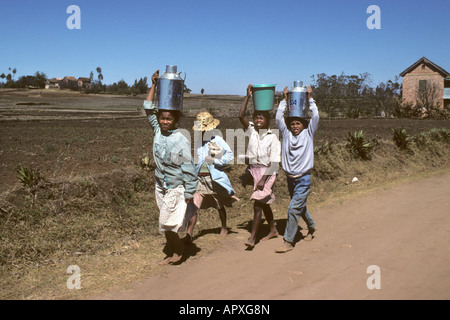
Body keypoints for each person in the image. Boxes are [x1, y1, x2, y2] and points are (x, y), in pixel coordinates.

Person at [143, 70, 198, 265]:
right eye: (162, 118)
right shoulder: (157, 131)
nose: (165, 122)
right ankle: (174, 250)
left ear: (175, 120)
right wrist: (154, 85)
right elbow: (148, 107)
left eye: (169, 119)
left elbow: (189, 167)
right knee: (165, 221)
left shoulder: (180, 139)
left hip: (176, 186)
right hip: (160, 184)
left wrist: (190, 190)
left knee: (168, 223)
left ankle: (178, 250)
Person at [274, 85, 319, 253]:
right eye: (292, 123)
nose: (294, 126)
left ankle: (288, 241)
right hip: (290, 178)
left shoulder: (308, 134)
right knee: (299, 206)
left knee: (293, 208)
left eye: (298, 123)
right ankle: (312, 227)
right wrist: (284, 101)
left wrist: (310, 98)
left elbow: (316, 116)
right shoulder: (286, 135)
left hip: (303, 179)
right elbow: (279, 118)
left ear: (303, 124)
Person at [185, 111, 239, 241]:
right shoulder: (198, 141)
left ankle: (224, 227)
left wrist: (215, 161)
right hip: (199, 178)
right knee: (193, 205)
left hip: (213, 178)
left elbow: (230, 156)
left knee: (218, 204)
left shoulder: (218, 140)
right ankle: (189, 233)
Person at [239, 84, 281, 249]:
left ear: (268, 121)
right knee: (264, 203)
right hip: (255, 170)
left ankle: (252, 238)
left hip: (268, 173)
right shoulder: (252, 131)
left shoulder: (273, 138)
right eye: (256, 118)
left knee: (258, 205)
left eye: (261, 118)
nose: (257, 120)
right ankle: (273, 230)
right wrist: (248, 96)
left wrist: (264, 179)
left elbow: (274, 162)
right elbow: (240, 115)